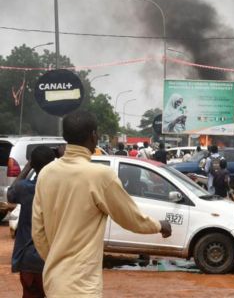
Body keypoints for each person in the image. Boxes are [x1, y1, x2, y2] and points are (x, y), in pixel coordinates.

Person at [31, 110, 172, 297]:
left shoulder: (46, 173)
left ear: (65, 137)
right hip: (82, 286)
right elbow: (131, 218)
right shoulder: (100, 176)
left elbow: (38, 231)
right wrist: (159, 225)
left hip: (53, 281)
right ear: (93, 136)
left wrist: (55, 261)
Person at [7, 146, 56, 298]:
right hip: (52, 259)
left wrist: (29, 166)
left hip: (28, 259)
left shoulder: (25, 188)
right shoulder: (59, 189)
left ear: (33, 164)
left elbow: (11, 194)